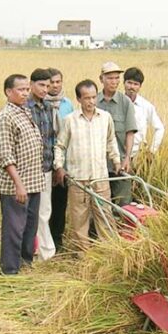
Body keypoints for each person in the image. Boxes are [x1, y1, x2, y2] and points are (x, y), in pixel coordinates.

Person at [54, 80, 121, 251]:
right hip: (79, 179)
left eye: (93, 97)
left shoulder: (105, 118)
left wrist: (116, 161)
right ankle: (83, 256)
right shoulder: (70, 120)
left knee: (104, 216)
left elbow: (111, 141)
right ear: (79, 99)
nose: (91, 102)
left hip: (100, 177)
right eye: (86, 98)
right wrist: (59, 167)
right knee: (79, 219)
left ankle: (109, 253)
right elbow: (60, 146)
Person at [0, 74, 45, 274]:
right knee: (14, 229)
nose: (25, 93)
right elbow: (6, 156)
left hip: (33, 182)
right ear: (8, 92)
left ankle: (25, 263)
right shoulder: (5, 117)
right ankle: (10, 269)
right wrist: (18, 184)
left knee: (29, 227)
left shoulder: (24, 111)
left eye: (26, 89)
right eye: (20, 90)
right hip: (17, 185)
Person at [27, 68, 58, 261]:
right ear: (31, 85)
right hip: (29, 169)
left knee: (44, 211)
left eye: (47, 85)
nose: (45, 89)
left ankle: (46, 252)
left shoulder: (48, 108)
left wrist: (55, 166)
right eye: (41, 85)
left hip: (46, 167)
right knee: (29, 212)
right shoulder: (24, 108)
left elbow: (52, 138)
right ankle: (32, 249)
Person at [96, 62, 137, 205]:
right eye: (110, 78)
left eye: (116, 78)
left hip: (120, 163)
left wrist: (127, 158)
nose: (114, 82)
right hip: (98, 163)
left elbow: (130, 133)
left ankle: (121, 227)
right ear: (101, 79)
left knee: (122, 203)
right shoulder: (93, 100)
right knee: (100, 204)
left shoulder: (125, 103)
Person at [45, 68, 74, 253]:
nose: (55, 86)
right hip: (45, 160)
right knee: (44, 204)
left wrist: (61, 165)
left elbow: (70, 134)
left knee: (60, 203)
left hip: (63, 161)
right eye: (51, 83)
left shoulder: (68, 104)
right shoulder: (38, 104)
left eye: (58, 82)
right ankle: (43, 240)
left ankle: (58, 240)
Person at [123, 67, 165, 164]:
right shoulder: (117, 103)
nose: (132, 87)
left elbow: (160, 128)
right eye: (129, 83)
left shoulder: (146, 106)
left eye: (135, 84)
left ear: (140, 86)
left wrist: (152, 151)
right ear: (124, 83)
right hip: (119, 155)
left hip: (139, 156)